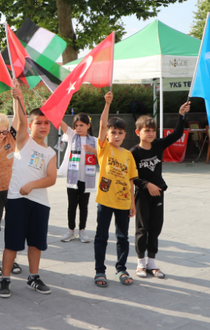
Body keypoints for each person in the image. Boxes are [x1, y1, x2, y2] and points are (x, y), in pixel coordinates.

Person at [0, 88, 57, 298]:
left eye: (46, 123)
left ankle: (34, 276)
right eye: (38, 123)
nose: (42, 126)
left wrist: (32, 185)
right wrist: (18, 99)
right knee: (12, 242)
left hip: (39, 202)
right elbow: (20, 120)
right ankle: (5, 280)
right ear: (31, 126)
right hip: (17, 201)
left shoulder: (50, 153)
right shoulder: (24, 141)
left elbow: (51, 178)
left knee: (36, 243)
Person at [130, 101, 191, 279]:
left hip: (158, 194)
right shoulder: (133, 153)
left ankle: (152, 263)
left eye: (152, 130)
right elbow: (131, 176)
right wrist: (146, 185)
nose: (150, 133)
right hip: (142, 194)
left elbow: (178, 133)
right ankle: (140, 263)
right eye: (146, 130)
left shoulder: (158, 145)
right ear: (138, 132)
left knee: (155, 228)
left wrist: (181, 115)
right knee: (142, 228)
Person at [93, 91, 139, 288]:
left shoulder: (128, 155)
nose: (117, 135)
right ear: (108, 134)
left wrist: (133, 203)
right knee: (101, 236)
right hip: (105, 200)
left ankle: (121, 268)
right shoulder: (103, 148)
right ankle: (100, 270)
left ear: (125, 134)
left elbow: (131, 181)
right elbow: (103, 124)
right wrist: (107, 104)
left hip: (123, 202)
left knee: (122, 238)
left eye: (120, 132)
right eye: (113, 132)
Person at [0, 112, 21, 276]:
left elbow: (18, 118)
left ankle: (11, 258)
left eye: (4, 131)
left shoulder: (10, 138)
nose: (2, 135)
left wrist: (17, 98)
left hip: (12, 189)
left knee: (13, 226)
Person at [58, 113, 98, 243]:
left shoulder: (94, 140)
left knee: (84, 205)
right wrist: (50, 108)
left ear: (88, 126)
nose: (78, 128)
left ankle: (82, 230)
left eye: (81, 125)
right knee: (72, 205)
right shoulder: (71, 136)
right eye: (76, 125)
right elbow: (60, 122)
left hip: (87, 179)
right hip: (72, 178)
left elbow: (102, 154)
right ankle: (71, 230)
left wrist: (91, 149)